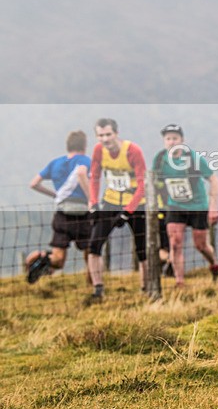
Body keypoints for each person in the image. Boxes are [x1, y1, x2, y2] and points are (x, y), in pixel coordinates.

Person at [85, 118, 149, 302]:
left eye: (108, 134)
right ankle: (98, 288)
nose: (105, 139)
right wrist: (94, 203)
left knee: (142, 248)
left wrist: (128, 211)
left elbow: (142, 185)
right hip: (110, 202)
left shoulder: (132, 151)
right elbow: (95, 177)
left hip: (136, 204)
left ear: (116, 133)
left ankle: (146, 287)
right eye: (100, 135)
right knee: (94, 244)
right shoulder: (98, 151)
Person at [152, 124, 218, 287]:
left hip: (197, 206)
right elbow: (155, 182)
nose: (171, 142)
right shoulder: (160, 159)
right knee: (175, 243)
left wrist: (213, 206)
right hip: (175, 205)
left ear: (182, 141)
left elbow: (213, 179)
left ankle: (214, 265)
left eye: (175, 138)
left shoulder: (193, 159)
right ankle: (179, 281)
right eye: (168, 139)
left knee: (201, 245)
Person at [25, 130, 92, 284]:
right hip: (82, 215)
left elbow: (34, 184)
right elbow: (82, 174)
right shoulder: (86, 161)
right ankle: (92, 285)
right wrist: (91, 200)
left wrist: (55, 195)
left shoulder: (55, 163)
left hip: (62, 215)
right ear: (84, 145)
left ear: (68, 146)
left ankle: (39, 256)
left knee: (58, 259)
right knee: (91, 252)